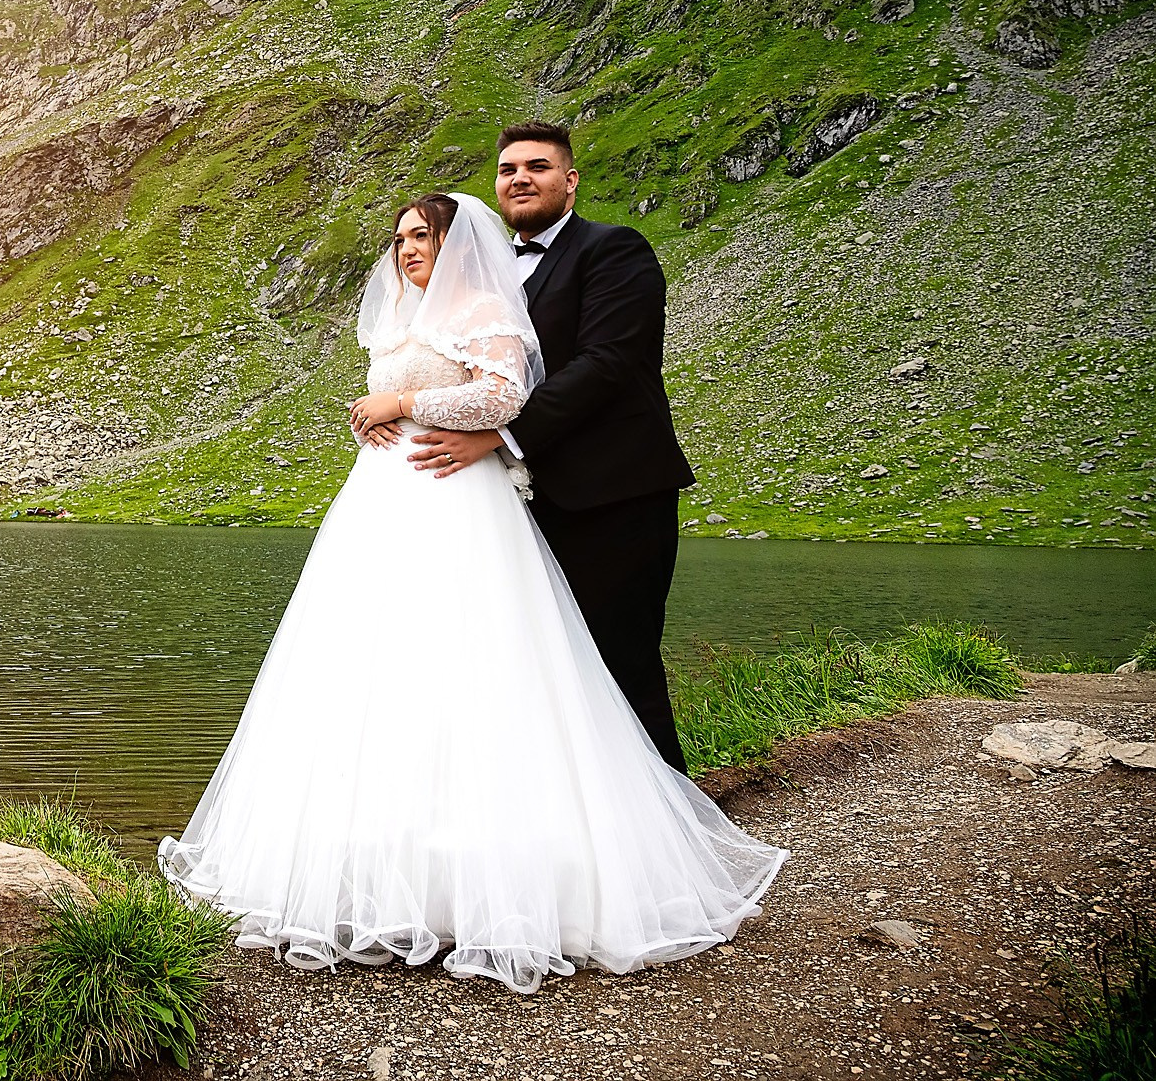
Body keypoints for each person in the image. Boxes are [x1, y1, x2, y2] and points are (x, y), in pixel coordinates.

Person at [156, 189, 781, 994]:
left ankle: (491, 883)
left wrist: (405, 402)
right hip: (380, 511)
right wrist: (368, 415)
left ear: (457, 243)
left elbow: (503, 395)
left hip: (457, 505)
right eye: (400, 237)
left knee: (470, 669)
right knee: (370, 674)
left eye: (423, 235)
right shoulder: (399, 317)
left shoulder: (486, 305)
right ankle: (370, 873)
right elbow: (385, 396)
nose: (408, 248)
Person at [404, 123, 697, 770]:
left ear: (570, 181)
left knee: (621, 665)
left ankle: (674, 832)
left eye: (537, 166)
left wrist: (498, 435)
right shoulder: (488, 278)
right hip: (523, 509)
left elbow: (607, 364)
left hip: (614, 496)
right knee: (544, 678)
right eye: (508, 170)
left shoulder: (615, 251)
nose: (520, 178)